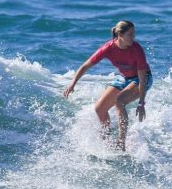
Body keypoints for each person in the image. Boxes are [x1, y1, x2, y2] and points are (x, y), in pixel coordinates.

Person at [63, 20, 152, 151]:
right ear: (120, 35)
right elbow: (85, 66)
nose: (133, 37)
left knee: (119, 102)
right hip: (124, 78)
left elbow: (142, 77)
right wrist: (72, 84)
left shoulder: (136, 49)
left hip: (143, 79)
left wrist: (141, 103)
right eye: (130, 34)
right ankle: (106, 140)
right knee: (99, 108)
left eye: (134, 34)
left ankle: (121, 144)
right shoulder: (108, 48)